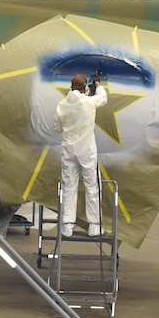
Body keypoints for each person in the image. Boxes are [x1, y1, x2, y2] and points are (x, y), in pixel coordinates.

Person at [55, 73, 109, 238]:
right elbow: (103, 99)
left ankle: (67, 225)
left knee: (69, 185)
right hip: (86, 150)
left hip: (68, 150)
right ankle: (94, 225)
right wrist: (98, 84)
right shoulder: (88, 101)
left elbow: (57, 127)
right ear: (85, 88)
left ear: (71, 87)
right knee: (91, 186)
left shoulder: (62, 105)